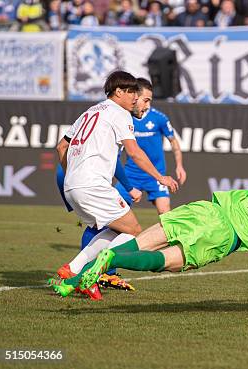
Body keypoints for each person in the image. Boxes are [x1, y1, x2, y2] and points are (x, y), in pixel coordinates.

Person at [50, 170, 248, 298]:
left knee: (143, 240)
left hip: (206, 210)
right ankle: (107, 261)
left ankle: (75, 279)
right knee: (160, 262)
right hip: (223, 237)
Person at [53, 71, 178, 297]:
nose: (134, 97)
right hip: (92, 184)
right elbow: (134, 152)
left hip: (72, 184)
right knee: (133, 231)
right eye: (131, 92)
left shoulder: (89, 112)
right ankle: (89, 275)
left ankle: (71, 268)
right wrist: (161, 177)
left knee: (109, 229)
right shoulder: (119, 113)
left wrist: (73, 173)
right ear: (118, 92)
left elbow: (62, 147)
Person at [115, 78, 187, 215]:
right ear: (135, 97)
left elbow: (173, 141)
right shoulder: (124, 118)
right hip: (131, 174)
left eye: (150, 101)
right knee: (115, 210)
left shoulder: (159, 118)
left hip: (156, 173)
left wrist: (179, 165)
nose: (148, 105)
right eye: (146, 100)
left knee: (165, 212)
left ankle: (169, 237)